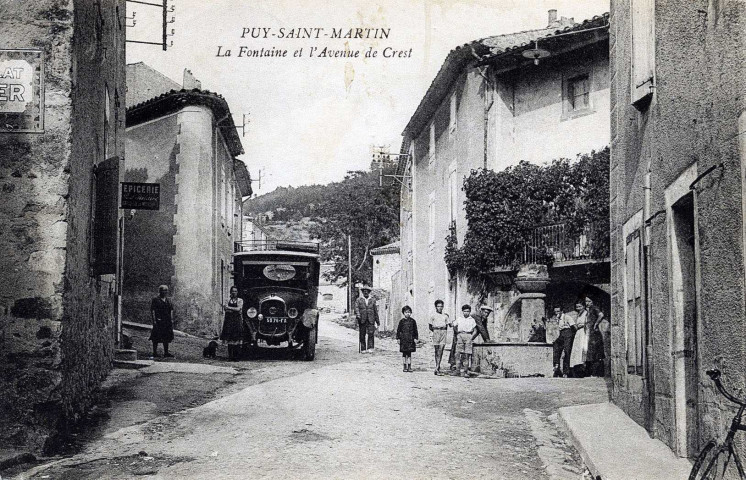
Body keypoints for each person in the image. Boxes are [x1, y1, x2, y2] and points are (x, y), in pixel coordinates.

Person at [549, 305, 576, 377]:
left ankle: (566, 372)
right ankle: (556, 367)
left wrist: (572, 336)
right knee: (556, 347)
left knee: (567, 352)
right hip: (561, 334)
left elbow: (574, 327)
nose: (556, 313)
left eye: (558, 311)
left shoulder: (567, 317)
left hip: (568, 333)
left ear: (562, 311)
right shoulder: (557, 318)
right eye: (555, 312)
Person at [452, 304, 477, 377]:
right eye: (465, 311)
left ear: (470, 312)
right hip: (460, 335)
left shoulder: (472, 320)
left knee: (467, 354)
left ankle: (466, 371)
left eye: (468, 311)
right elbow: (454, 326)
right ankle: (457, 371)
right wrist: (457, 333)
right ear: (462, 311)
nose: (466, 313)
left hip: (468, 335)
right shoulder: (459, 318)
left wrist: (471, 337)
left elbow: (475, 330)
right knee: (458, 354)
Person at [150, 285, 175, 358]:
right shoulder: (155, 299)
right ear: (160, 291)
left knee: (166, 337)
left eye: (166, 290)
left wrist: (171, 319)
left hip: (166, 321)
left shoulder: (168, 300)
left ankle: (166, 352)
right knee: (156, 336)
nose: (164, 292)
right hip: (159, 321)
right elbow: (153, 310)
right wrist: (154, 320)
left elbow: (171, 310)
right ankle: (154, 352)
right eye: (163, 290)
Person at [220, 286, 244, 361]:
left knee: (236, 338)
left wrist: (229, 308)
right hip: (229, 321)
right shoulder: (227, 300)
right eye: (233, 291)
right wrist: (234, 310)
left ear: (237, 292)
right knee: (229, 338)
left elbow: (239, 309)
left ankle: (236, 357)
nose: (234, 293)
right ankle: (230, 356)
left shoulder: (240, 300)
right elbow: (225, 309)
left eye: (235, 291)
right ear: (230, 292)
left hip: (237, 321)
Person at [354, 285, 379, 353]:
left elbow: (375, 311)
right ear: (362, 292)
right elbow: (356, 308)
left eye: (367, 291)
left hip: (371, 319)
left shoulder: (372, 300)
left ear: (369, 292)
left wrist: (377, 321)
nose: (365, 292)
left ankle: (370, 347)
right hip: (362, 319)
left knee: (371, 333)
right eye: (364, 291)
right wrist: (358, 315)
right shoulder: (359, 300)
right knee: (362, 334)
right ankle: (363, 348)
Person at [585, 296, 606, 377]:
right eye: (586, 301)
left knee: (596, 353)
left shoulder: (594, 308)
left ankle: (597, 373)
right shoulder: (588, 310)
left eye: (589, 301)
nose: (587, 303)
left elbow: (601, 315)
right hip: (590, 333)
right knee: (591, 353)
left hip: (595, 333)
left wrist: (596, 323)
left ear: (592, 301)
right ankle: (591, 372)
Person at [428, 299, 451, 375]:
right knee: (436, 350)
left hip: (443, 332)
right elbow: (430, 326)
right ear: (436, 307)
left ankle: (437, 367)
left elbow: (449, 325)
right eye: (438, 306)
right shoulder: (433, 315)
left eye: (441, 306)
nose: (440, 308)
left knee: (441, 350)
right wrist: (435, 331)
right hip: (436, 331)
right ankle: (437, 366)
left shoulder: (445, 316)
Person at [569, 300, 589, 377]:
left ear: (584, 306)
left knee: (583, 349)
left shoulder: (586, 313)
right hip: (578, 333)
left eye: (580, 306)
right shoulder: (579, 314)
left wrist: (582, 325)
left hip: (584, 332)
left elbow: (587, 323)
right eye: (577, 307)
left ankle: (583, 369)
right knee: (577, 350)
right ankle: (577, 369)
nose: (578, 308)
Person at [396, 305, 418, 372]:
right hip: (403, 340)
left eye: (409, 312)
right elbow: (398, 330)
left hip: (410, 339)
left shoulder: (413, 321)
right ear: (403, 313)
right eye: (406, 312)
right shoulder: (401, 321)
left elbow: (415, 330)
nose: (408, 313)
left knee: (409, 353)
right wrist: (398, 338)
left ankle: (409, 366)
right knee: (404, 353)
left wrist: (416, 338)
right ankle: (404, 366)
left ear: (411, 313)